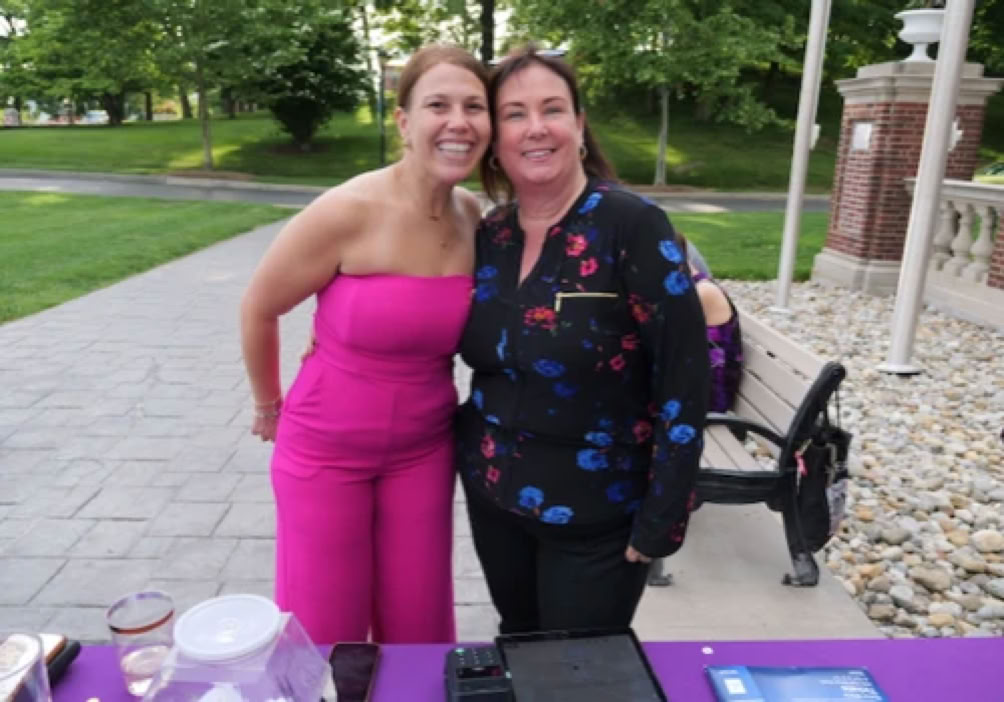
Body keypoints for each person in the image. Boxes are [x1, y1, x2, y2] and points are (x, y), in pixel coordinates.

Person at [240, 45, 491, 645]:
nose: (458, 122)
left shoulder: (473, 217)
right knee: (327, 632)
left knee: (420, 626)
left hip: (424, 451)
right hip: (325, 453)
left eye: (474, 106)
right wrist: (268, 404)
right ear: (403, 121)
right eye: (438, 105)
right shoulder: (346, 211)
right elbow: (258, 307)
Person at [455, 45, 710, 634]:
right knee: (519, 641)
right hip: (494, 498)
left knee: (580, 667)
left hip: (599, 515)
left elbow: (684, 375)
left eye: (552, 109)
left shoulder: (631, 225)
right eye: (515, 114)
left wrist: (663, 518)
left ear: (579, 124)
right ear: (495, 138)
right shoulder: (492, 234)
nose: (536, 127)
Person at [648, 234, 744, 586]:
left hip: (710, 398)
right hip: (698, 385)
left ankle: (647, 527)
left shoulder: (700, 293)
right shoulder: (691, 286)